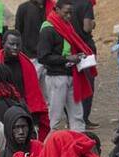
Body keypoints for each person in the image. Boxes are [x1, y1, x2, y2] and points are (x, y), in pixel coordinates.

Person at [38, 0, 92, 132]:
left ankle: (78, 146)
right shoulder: (48, 29)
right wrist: (67, 58)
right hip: (56, 77)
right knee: (55, 119)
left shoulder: (67, 27)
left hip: (71, 75)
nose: (69, 16)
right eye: (66, 13)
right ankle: (51, 148)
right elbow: (43, 57)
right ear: (56, 10)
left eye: (71, 13)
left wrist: (78, 56)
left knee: (77, 116)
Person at [0, 30, 50, 138]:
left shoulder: (27, 64)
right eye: (11, 44)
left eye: (18, 45)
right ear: (3, 44)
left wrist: (34, 117)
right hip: (3, 109)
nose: (15, 47)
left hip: (24, 110)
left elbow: (34, 93)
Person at [67, 0, 99, 129]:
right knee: (87, 83)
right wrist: (93, 24)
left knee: (72, 84)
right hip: (85, 47)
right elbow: (87, 27)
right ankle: (83, 118)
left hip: (69, 47)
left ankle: (71, 119)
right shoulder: (86, 4)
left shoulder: (65, 3)